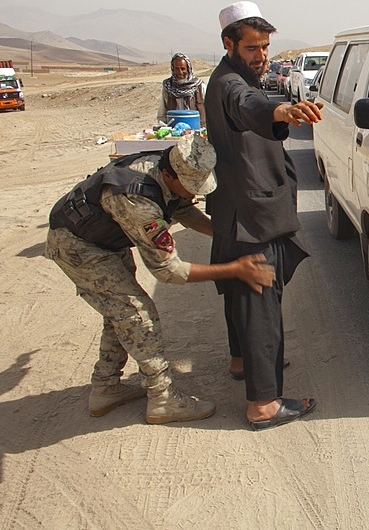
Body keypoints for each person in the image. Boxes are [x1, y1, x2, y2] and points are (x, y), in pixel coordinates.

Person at [44, 134, 276, 423]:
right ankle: (162, 399)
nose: (193, 195)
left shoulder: (165, 167)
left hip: (103, 239)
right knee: (137, 314)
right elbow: (169, 271)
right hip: (78, 245)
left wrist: (226, 234)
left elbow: (182, 209)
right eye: (189, 187)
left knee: (119, 314)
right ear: (169, 174)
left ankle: (106, 387)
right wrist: (235, 268)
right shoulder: (137, 201)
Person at [204, 1, 324, 430]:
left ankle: (242, 362)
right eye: (253, 47)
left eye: (266, 47)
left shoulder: (228, 78)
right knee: (260, 307)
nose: (262, 56)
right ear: (229, 44)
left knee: (241, 298)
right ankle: (264, 404)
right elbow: (249, 105)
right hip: (253, 215)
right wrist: (281, 111)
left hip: (237, 209)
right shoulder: (230, 84)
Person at [158, 53, 206, 125]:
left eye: (183, 69)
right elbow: (162, 112)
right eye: (176, 69)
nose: (180, 72)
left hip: (196, 128)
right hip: (173, 130)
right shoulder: (168, 86)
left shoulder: (199, 86)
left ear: (188, 68)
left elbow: (210, 110)